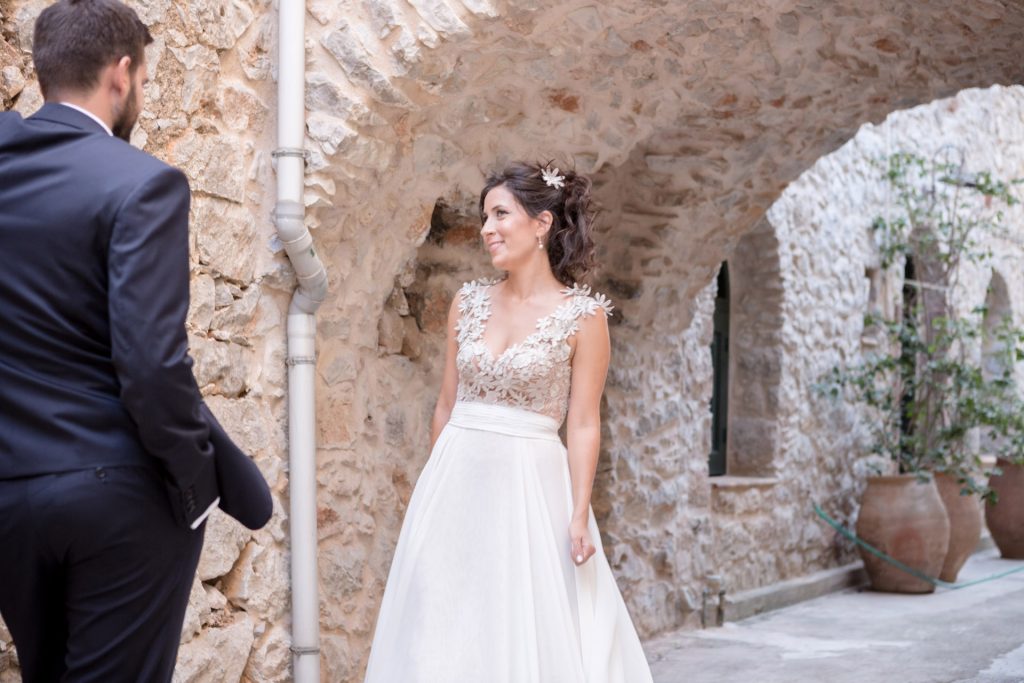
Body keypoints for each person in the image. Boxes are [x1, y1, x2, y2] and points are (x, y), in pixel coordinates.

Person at [0, 1, 271, 680]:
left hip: (10, 496)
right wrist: (194, 481)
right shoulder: (142, 183)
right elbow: (151, 363)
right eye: (146, 81)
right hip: (121, 496)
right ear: (122, 74)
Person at [364, 161, 653, 682]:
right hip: (456, 480)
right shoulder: (466, 303)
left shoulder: (583, 317)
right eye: (483, 217)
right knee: (441, 618)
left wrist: (580, 512)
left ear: (541, 223)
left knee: (521, 616)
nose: (486, 229)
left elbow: (584, 422)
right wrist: (433, 484)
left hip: (531, 485)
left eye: (501, 214)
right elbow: (447, 404)